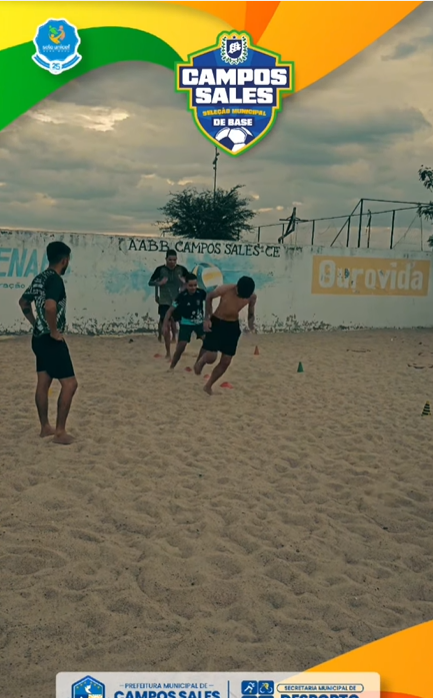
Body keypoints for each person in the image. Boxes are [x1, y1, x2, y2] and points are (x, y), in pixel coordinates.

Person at [18, 241, 78, 445]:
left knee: (43, 382)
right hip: (51, 340)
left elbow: (23, 303)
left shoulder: (39, 278)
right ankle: (60, 432)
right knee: (70, 384)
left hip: (38, 339)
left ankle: (45, 427)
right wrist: (53, 331)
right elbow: (50, 307)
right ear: (65, 260)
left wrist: (36, 324)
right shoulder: (55, 280)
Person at [194, 277, 257, 395]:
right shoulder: (226, 289)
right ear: (237, 287)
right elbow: (209, 297)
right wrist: (207, 318)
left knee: (226, 361)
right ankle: (201, 362)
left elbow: (251, 313)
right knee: (212, 357)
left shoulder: (251, 297)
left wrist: (251, 325)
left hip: (232, 326)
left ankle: (208, 386)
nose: (241, 297)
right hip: (217, 322)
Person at [148, 249, 188, 359]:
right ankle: (168, 352)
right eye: (170, 260)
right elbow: (150, 282)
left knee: (181, 324)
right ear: (166, 259)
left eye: (174, 260)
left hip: (177, 301)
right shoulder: (160, 269)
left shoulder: (181, 269)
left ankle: (178, 348)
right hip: (164, 301)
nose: (172, 262)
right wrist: (159, 283)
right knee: (166, 325)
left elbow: (192, 282)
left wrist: (184, 284)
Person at [163, 272, 206, 370]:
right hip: (186, 324)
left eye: (195, 285)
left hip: (199, 323)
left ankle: (198, 363)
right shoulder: (182, 296)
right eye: (190, 285)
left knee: (207, 342)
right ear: (186, 285)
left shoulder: (201, 293)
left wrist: (208, 317)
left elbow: (209, 300)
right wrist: (165, 324)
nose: (193, 288)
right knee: (181, 347)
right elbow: (170, 311)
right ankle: (172, 366)